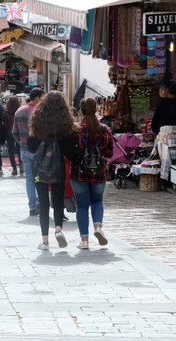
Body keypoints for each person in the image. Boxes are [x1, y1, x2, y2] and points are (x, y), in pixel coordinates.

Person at [27, 91, 78, 250]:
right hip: (58, 170)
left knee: (43, 203)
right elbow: (71, 153)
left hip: (39, 172)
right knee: (57, 201)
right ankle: (58, 229)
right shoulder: (66, 126)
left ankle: (44, 241)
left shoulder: (38, 123)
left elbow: (31, 146)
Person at [71, 98, 114, 250]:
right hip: (99, 172)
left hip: (79, 173)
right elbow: (110, 153)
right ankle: (98, 227)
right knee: (97, 201)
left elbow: (71, 153)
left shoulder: (76, 130)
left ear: (81, 111)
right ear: (96, 109)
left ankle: (84, 241)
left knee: (82, 206)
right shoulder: (104, 129)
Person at [13, 88, 44, 216]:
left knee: (29, 179)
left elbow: (14, 132)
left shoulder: (19, 111)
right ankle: (40, 203)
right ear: (37, 98)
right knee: (41, 178)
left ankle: (32, 206)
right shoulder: (40, 112)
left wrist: (21, 143)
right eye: (42, 97)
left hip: (25, 149)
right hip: (39, 150)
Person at [4, 96, 22, 176]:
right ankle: (21, 167)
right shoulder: (19, 111)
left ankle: (14, 168)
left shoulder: (6, 113)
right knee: (19, 150)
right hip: (19, 133)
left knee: (11, 151)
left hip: (9, 133)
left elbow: (5, 125)